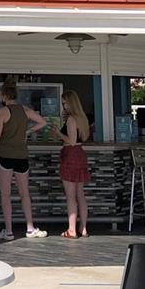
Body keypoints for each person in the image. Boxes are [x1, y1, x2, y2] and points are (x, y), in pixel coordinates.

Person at [0, 78, 47, 240]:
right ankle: (30, 228)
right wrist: (27, 132)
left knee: (5, 195)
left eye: (0, 94)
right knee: (24, 193)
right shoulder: (25, 110)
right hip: (22, 156)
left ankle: (9, 231)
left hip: (5, 156)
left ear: (5, 95)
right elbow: (43, 122)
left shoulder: (2, 112)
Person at [50, 89, 91, 238]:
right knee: (80, 194)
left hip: (71, 155)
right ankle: (83, 228)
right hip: (80, 154)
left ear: (71, 103)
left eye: (65, 103)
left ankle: (72, 229)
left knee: (71, 196)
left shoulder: (71, 119)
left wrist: (58, 132)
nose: (63, 106)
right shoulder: (81, 118)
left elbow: (71, 141)